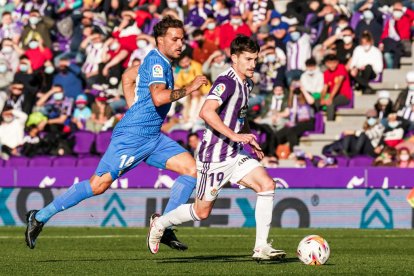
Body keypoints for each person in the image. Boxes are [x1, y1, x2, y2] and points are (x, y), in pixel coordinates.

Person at [25, 17, 208, 251]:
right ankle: (39, 217)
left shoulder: (157, 62)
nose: (180, 44)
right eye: (175, 39)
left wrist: (134, 107)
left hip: (152, 136)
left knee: (192, 169)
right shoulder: (157, 63)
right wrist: (189, 87)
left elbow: (128, 77)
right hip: (132, 137)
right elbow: (159, 97)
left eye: (182, 39)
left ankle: (164, 225)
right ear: (160, 40)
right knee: (98, 185)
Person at [147, 35, 286, 262]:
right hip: (214, 156)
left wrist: (248, 138)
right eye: (248, 59)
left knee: (267, 185)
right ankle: (160, 223)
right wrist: (235, 135)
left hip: (235, 153)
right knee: (202, 212)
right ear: (234, 58)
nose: (253, 64)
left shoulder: (247, 82)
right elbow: (206, 111)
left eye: (255, 60)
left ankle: (261, 247)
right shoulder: (227, 81)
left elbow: (239, 114)